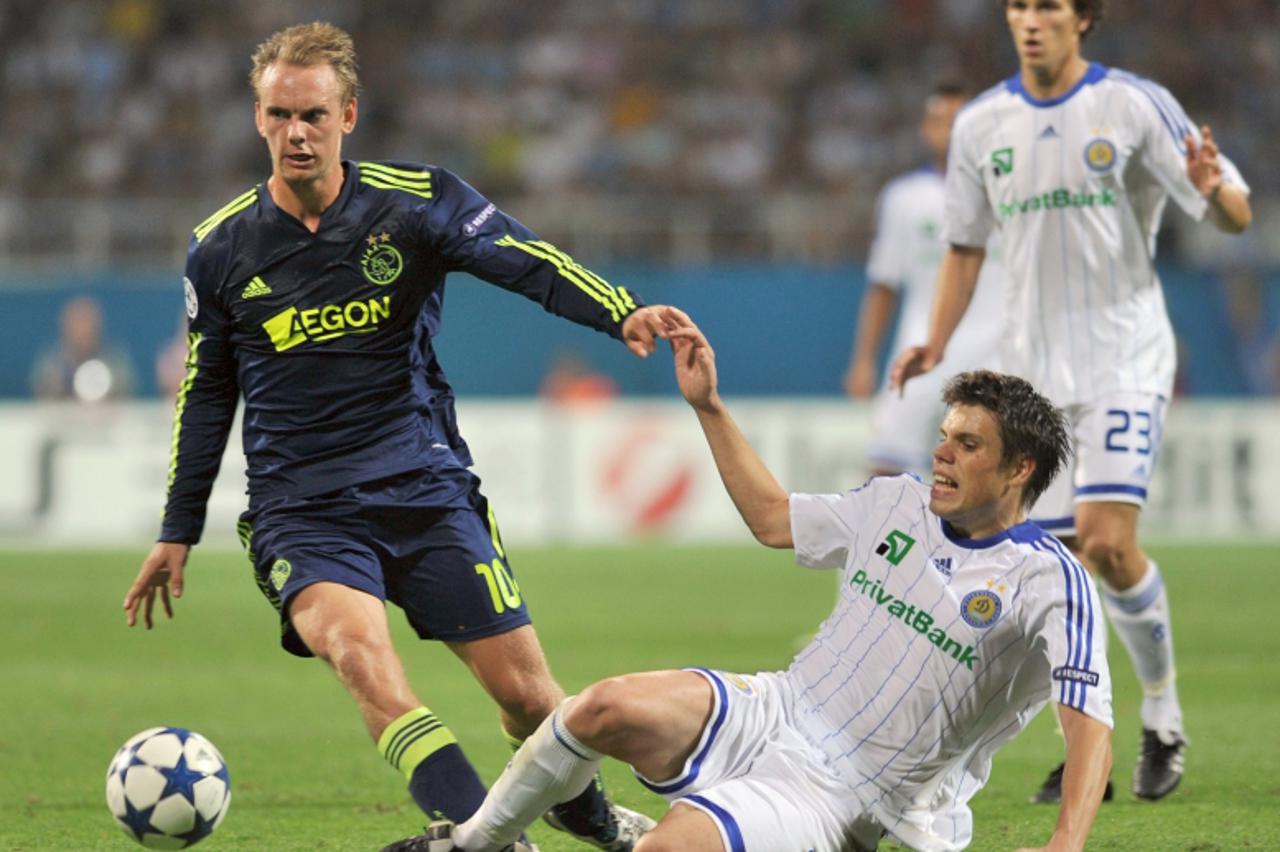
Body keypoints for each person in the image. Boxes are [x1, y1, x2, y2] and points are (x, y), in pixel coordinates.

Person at [121, 21, 674, 851]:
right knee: (361, 659)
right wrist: (177, 527)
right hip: (301, 509)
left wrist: (617, 309)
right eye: (277, 115)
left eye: (311, 115)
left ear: (349, 113)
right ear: (257, 116)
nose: (294, 134)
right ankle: (496, 841)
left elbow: (521, 257)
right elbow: (207, 392)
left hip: (423, 487)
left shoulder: (416, 202)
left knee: (530, 701)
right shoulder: (221, 247)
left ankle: (595, 823)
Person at [409, 312, 1113, 852]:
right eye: (945, 435)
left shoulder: (1049, 580)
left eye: (968, 443)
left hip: (851, 787)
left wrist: (1066, 842)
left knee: (666, 846)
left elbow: (1091, 725)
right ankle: (474, 843)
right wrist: (708, 407)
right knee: (599, 708)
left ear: (1019, 469)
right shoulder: (895, 502)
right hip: (780, 708)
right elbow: (775, 519)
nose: (942, 452)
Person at [891, 0, 1252, 804]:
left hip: (1124, 357)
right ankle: (1083, 749)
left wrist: (1213, 193)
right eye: (1018, 5)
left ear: (1083, 18)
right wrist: (936, 341)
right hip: (1034, 380)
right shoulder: (983, 123)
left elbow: (1236, 211)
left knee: (1106, 543)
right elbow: (963, 247)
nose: (1029, 19)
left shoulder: (1131, 105)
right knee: (1049, 572)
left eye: (1048, 5)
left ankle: (1162, 716)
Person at [843, 82, 1003, 478]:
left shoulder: (1009, 190)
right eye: (937, 120)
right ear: (923, 129)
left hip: (998, 350)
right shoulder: (903, 197)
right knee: (885, 467)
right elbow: (884, 284)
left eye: (956, 121)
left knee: (996, 472)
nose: (946, 130)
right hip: (920, 349)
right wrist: (863, 359)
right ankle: (887, 542)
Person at [30, 295, 135, 402]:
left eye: (87, 322)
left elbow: (126, 392)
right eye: (77, 322)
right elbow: (42, 395)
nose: (83, 330)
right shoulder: (52, 362)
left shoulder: (115, 361)